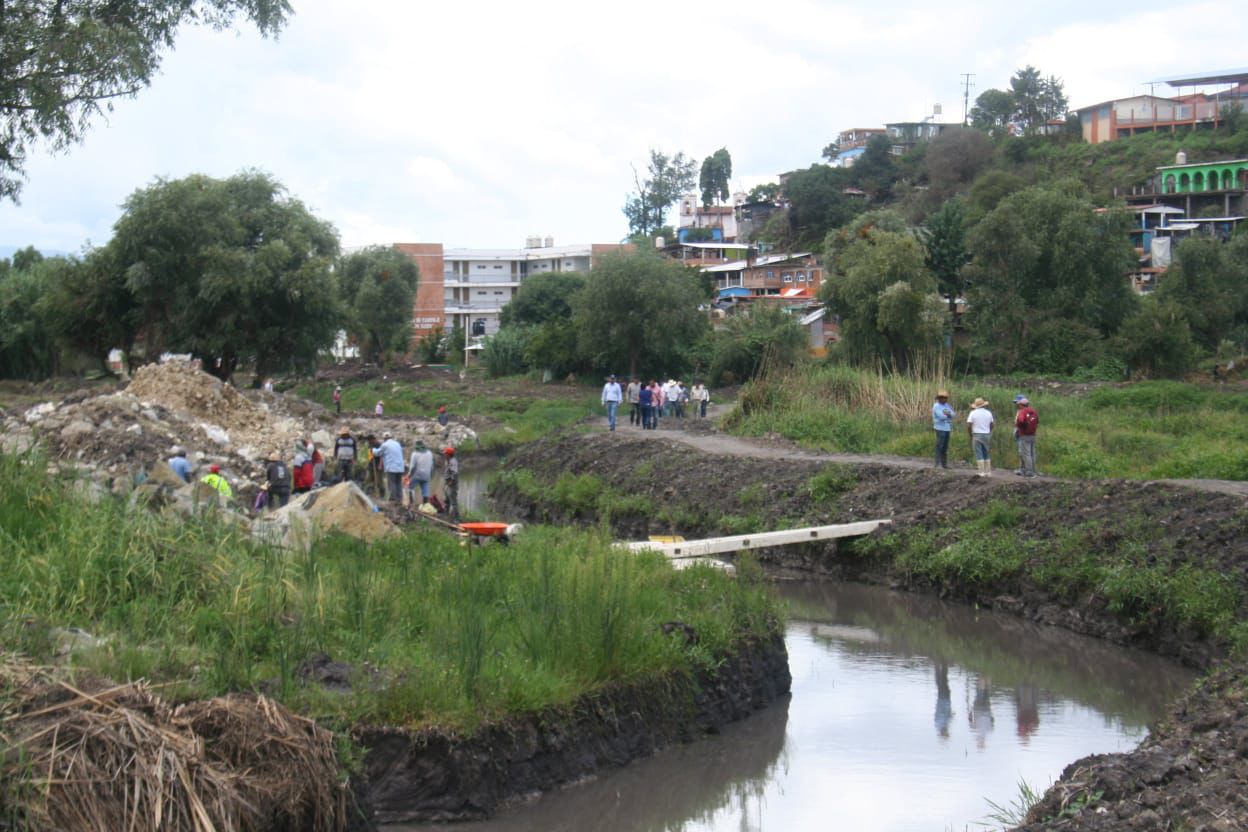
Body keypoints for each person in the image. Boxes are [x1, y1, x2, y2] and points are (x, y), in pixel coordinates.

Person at [966, 397, 995, 477]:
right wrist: (989, 431)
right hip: (986, 434)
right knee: (986, 452)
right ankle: (988, 472)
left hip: (977, 434)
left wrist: (970, 434)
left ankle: (981, 471)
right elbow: (992, 424)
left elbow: (969, 425)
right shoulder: (988, 413)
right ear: (983, 405)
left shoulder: (973, 413)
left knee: (979, 452)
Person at [1013, 394, 1039, 478]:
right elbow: (1037, 421)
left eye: (1018, 404)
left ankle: (1029, 472)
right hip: (1032, 434)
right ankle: (1032, 470)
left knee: (1026, 454)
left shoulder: (1022, 411)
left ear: (1021, 404)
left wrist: (1020, 427)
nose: (1017, 405)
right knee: (1032, 453)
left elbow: (1020, 421)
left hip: (1024, 434)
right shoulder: (1033, 411)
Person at [376, 431, 405, 503]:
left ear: (384, 439)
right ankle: (399, 499)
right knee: (398, 483)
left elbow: (378, 453)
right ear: (391, 437)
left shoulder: (385, 445)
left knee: (392, 483)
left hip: (391, 467)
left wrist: (372, 450)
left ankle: (393, 499)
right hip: (400, 467)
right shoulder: (397, 443)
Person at [931, 390, 955, 469]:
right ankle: (937, 464)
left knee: (945, 446)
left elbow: (953, 414)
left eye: (946, 398)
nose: (945, 399)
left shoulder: (947, 405)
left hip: (947, 428)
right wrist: (948, 415)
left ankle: (944, 464)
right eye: (944, 398)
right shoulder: (936, 406)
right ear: (939, 398)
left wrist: (948, 414)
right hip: (940, 428)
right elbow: (941, 416)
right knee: (939, 445)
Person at [407, 439, 435, 504]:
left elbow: (412, 467)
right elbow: (432, 466)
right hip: (427, 475)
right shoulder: (429, 453)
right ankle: (425, 504)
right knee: (425, 490)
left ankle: (411, 503)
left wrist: (409, 475)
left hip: (417, 475)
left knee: (410, 487)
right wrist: (431, 475)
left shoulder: (415, 454)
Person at [442, 446, 460, 520]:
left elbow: (455, 473)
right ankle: (446, 515)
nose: (444, 455)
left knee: (453, 502)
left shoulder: (453, 461)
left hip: (451, 485)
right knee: (446, 500)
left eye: (445, 454)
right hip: (447, 483)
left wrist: (451, 481)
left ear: (449, 454)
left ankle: (456, 518)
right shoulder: (448, 460)